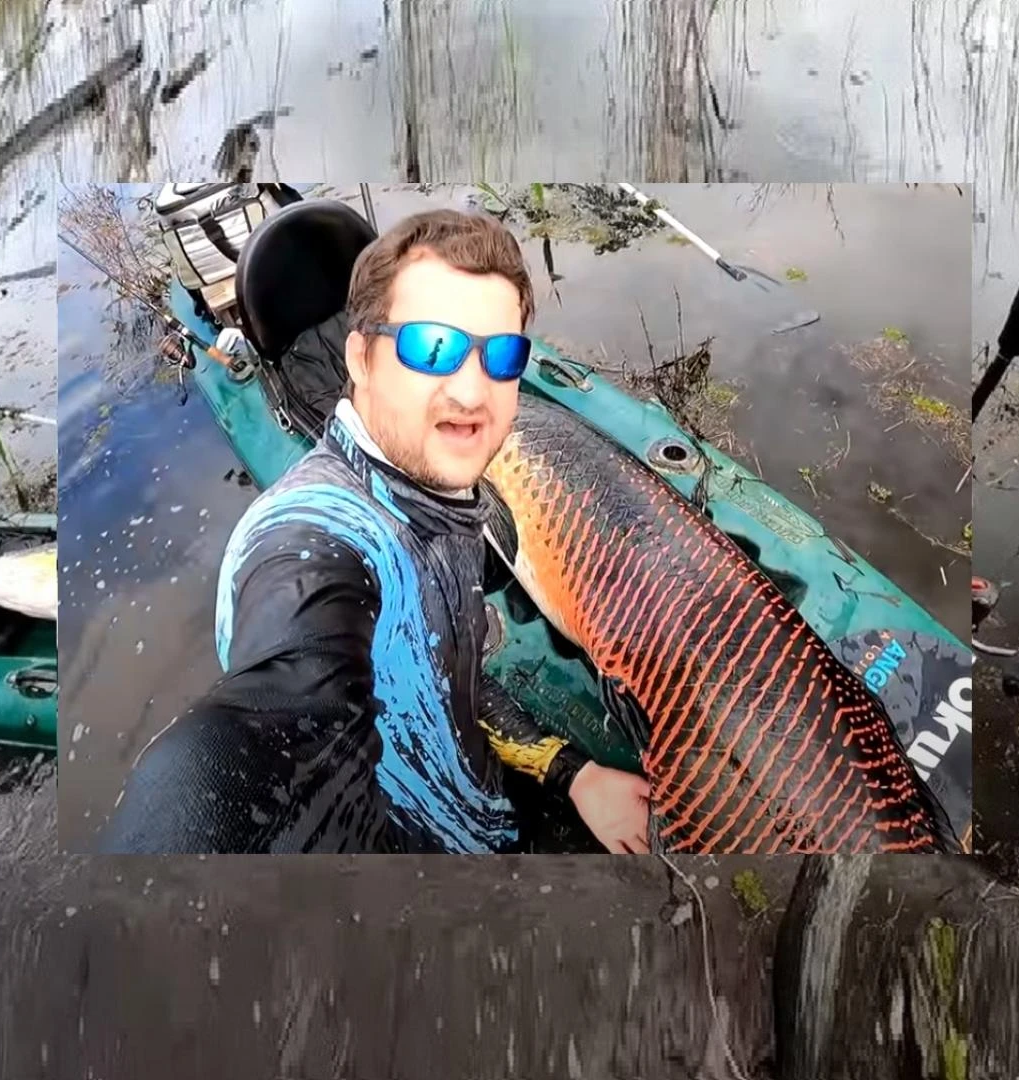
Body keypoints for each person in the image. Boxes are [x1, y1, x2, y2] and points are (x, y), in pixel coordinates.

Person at [100, 208, 650, 855]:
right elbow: (259, 733)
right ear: (360, 356)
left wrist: (572, 774)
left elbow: (444, 672)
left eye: (501, 355)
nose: (471, 393)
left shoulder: (436, 485)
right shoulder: (309, 542)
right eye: (431, 348)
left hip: (490, 814)